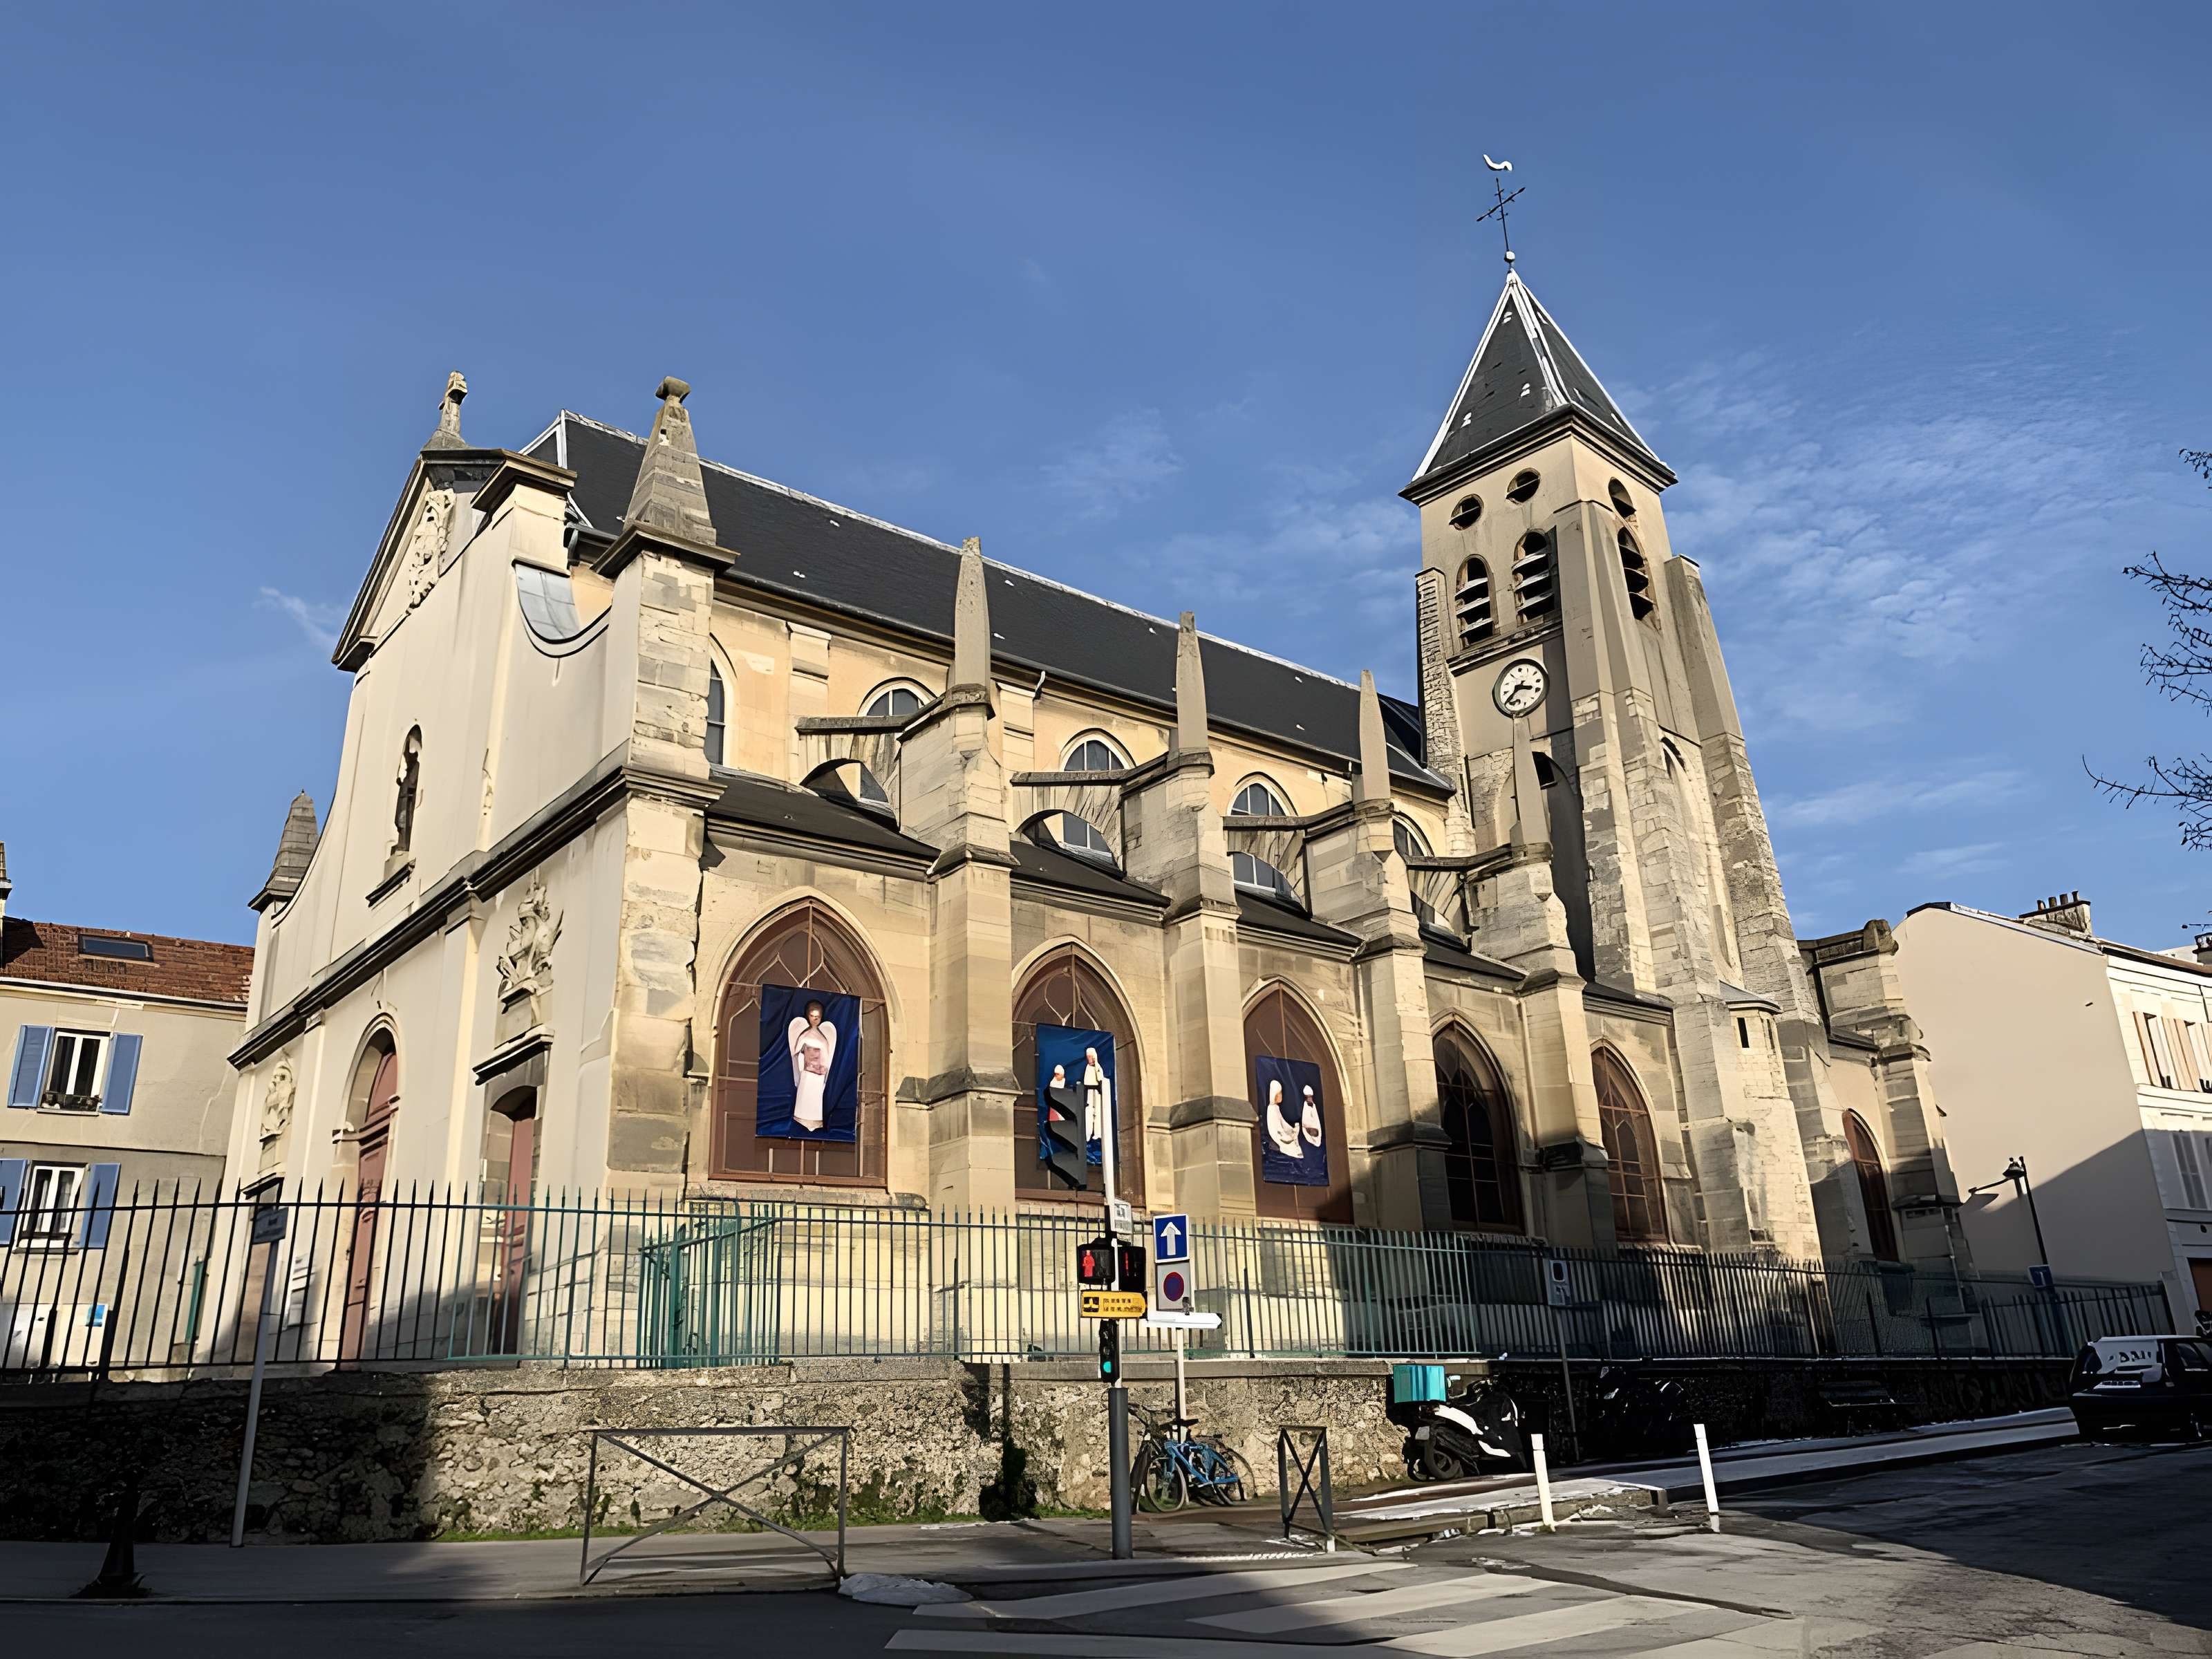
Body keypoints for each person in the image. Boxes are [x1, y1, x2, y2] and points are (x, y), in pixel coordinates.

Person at [787, 999, 838, 1131]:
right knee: (805, 1094)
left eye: (818, 1017)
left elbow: (827, 1055)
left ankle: (815, 1119)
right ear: (808, 1016)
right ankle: (802, 1116)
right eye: (812, 1016)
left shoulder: (823, 1037)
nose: (815, 1019)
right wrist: (804, 1053)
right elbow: (796, 1052)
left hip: (819, 1074)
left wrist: (823, 1067)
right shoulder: (804, 1035)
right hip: (807, 1073)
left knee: (815, 1097)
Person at [1265, 1078, 1303, 1159]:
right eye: (1279, 1094)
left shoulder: (1275, 1108)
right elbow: (1277, 1131)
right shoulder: (1272, 1110)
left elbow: (1283, 1125)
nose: (1281, 1096)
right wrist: (1291, 1136)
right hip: (1283, 1139)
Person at [1300, 1083, 1323, 1149]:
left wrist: (1306, 1129)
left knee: (1308, 1109)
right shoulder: (1316, 1139)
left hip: (1308, 1124)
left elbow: (1304, 1130)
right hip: (1312, 1124)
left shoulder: (1310, 1138)